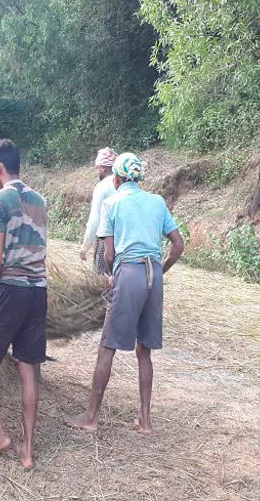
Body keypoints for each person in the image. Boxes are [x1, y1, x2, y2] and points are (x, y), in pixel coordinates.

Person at [67, 153, 185, 435]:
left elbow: (109, 254)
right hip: (153, 275)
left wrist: (114, 276)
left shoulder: (113, 202)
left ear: (116, 178)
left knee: (107, 345)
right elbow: (178, 246)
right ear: (139, 178)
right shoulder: (157, 202)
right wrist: (159, 270)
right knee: (144, 351)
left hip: (129, 273)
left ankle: (91, 417)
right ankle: (145, 421)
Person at [0, 139, 48, 469]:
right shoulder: (40, 200)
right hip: (38, 291)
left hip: (11, 290)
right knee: (28, 367)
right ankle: (28, 452)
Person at [79, 147, 117, 275]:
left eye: (98, 168)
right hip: (124, 241)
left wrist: (85, 247)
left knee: (102, 283)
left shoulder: (102, 187)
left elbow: (95, 219)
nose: (97, 171)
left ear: (103, 168)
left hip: (105, 241)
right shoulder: (123, 184)